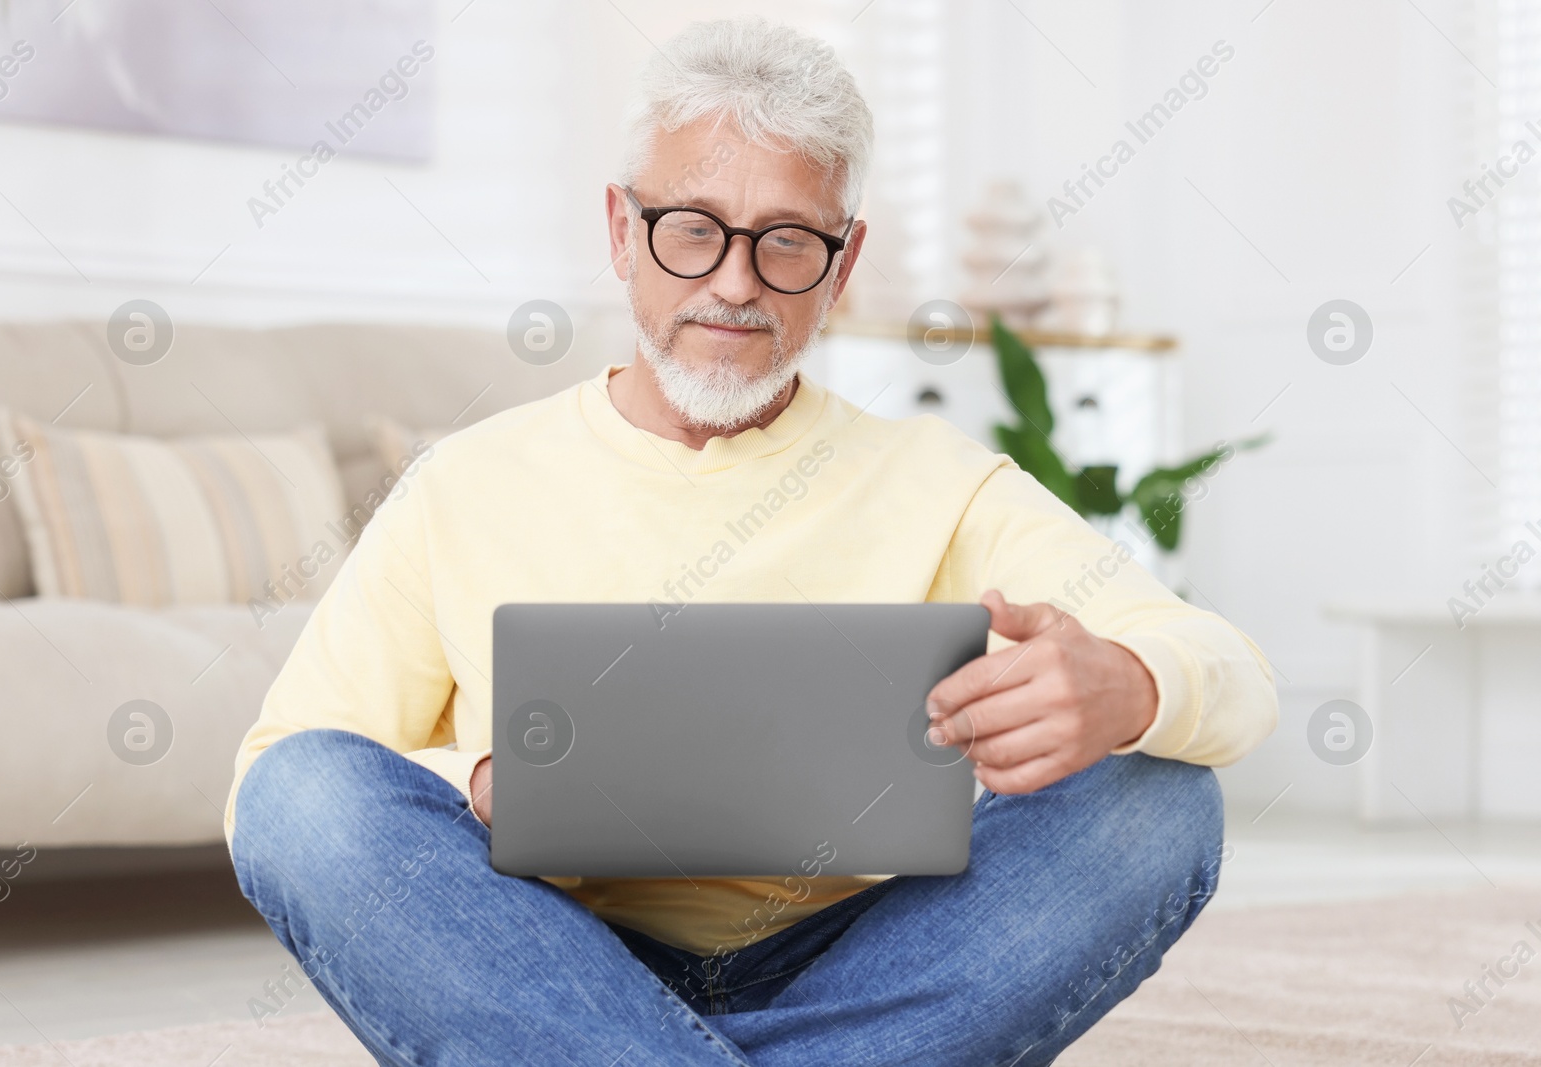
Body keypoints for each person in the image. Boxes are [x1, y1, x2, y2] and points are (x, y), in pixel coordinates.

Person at [226, 16, 1277, 1066]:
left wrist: (1129, 682)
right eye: (692, 227)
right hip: (539, 950)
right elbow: (278, 780)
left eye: (786, 240)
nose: (734, 283)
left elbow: (1232, 672)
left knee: (1158, 798)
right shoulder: (463, 485)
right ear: (621, 229)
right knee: (307, 795)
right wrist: (482, 780)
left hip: (856, 961)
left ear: (843, 260)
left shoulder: (941, 482)